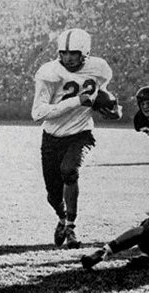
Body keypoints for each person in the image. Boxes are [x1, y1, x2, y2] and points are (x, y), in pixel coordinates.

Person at [31, 28, 122, 249]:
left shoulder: (99, 69)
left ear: (86, 53)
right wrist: (76, 102)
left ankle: (71, 226)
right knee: (53, 195)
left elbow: (101, 94)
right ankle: (62, 219)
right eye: (64, 52)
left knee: (69, 171)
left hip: (81, 134)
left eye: (74, 53)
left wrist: (113, 110)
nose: (69, 57)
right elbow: (38, 113)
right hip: (52, 137)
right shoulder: (49, 72)